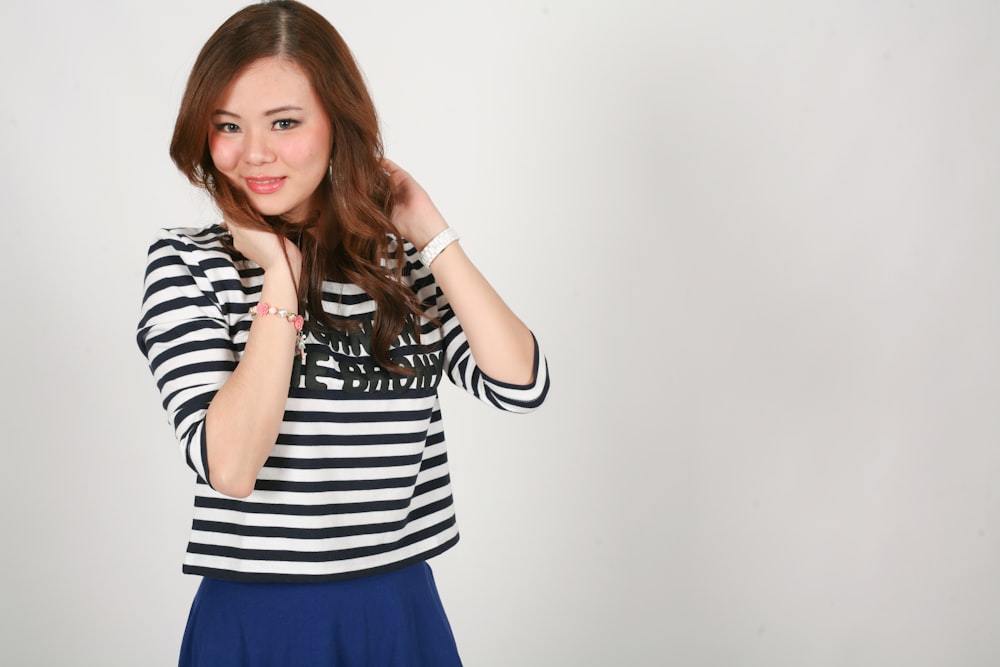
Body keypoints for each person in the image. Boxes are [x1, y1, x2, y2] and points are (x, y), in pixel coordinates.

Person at [135, 1, 550, 664]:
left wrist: (432, 235)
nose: (256, 153)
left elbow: (521, 382)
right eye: (228, 126)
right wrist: (280, 273)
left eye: (285, 122)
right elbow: (232, 467)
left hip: (396, 612)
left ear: (337, 124)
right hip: (255, 621)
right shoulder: (188, 264)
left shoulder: (396, 263)